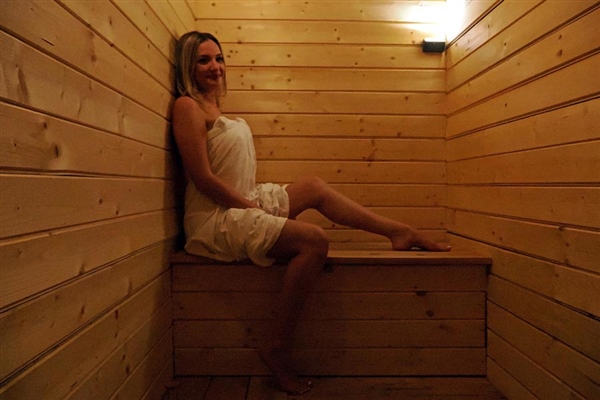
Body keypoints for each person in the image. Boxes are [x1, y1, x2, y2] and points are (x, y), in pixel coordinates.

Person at [172, 31, 451, 395]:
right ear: (188, 67)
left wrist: (252, 204)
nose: (215, 67)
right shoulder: (187, 107)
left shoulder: (215, 109)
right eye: (204, 60)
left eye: (219, 58)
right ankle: (277, 347)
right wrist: (252, 209)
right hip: (214, 219)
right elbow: (202, 179)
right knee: (314, 241)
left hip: (240, 203)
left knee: (314, 187)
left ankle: (400, 232)